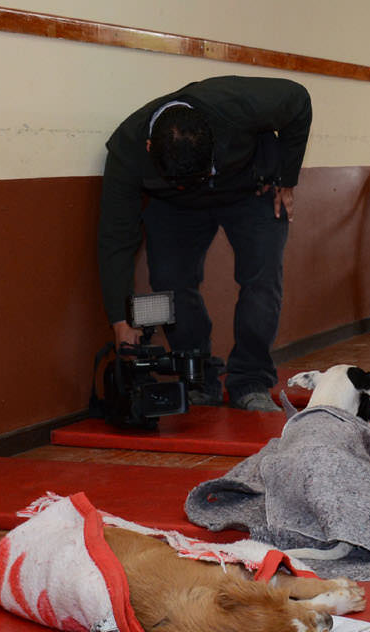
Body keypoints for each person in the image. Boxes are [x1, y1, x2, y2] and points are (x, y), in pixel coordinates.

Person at [98, 76, 311, 412]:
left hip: (250, 189)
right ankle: (197, 377)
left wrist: (286, 178)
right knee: (170, 281)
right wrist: (120, 322)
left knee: (262, 279)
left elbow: (298, 100)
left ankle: (251, 380)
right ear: (150, 147)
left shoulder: (236, 104)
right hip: (174, 206)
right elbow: (116, 238)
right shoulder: (128, 150)